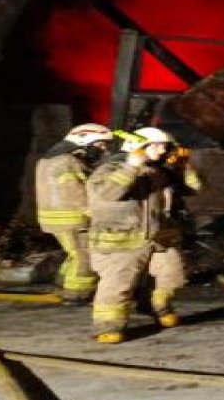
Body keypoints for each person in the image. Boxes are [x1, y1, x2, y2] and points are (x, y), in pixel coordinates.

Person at [86, 127, 202, 344]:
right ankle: (108, 325)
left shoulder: (159, 171)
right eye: (156, 146)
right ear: (137, 147)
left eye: (165, 147)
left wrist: (183, 166)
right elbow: (108, 193)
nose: (162, 151)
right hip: (120, 241)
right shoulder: (108, 169)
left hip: (159, 238)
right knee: (118, 284)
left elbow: (195, 189)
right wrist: (131, 166)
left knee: (173, 275)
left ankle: (156, 307)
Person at [34, 123, 114, 304]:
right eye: (100, 145)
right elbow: (77, 193)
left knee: (74, 254)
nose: (103, 150)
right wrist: (97, 213)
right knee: (85, 256)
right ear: (84, 141)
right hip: (74, 219)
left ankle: (63, 285)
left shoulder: (52, 160)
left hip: (59, 218)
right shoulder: (68, 162)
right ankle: (77, 294)